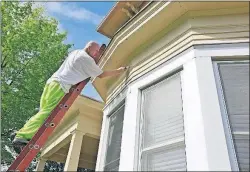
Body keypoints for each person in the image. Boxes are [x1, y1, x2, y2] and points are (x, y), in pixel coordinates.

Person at [11, 41, 128, 153]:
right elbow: (101, 75)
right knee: (47, 114)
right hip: (59, 87)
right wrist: (119, 71)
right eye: (96, 51)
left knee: (42, 114)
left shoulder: (76, 52)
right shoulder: (86, 59)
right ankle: (22, 136)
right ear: (88, 49)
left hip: (52, 83)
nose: (97, 53)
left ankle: (21, 132)